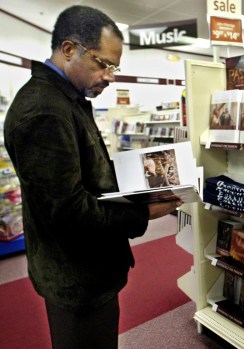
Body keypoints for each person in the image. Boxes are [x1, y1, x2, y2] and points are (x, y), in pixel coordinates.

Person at [3, 5, 182, 349]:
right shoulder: (44, 111)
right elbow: (69, 212)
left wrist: (139, 184)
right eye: (103, 63)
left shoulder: (66, 99)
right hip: (76, 278)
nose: (110, 76)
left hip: (87, 271)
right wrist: (144, 213)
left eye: (114, 67)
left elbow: (85, 173)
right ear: (70, 49)